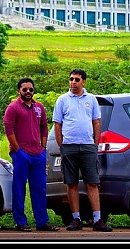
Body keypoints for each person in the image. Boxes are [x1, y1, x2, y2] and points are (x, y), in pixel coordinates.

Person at [52, 68, 112, 232]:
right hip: (69, 146)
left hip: (87, 146)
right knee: (71, 183)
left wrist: (94, 144)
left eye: (77, 79)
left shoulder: (91, 99)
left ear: (83, 81)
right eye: (71, 79)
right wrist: (61, 145)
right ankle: (76, 219)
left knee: (92, 182)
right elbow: (57, 124)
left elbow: (96, 122)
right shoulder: (62, 100)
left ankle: (98, 219)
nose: (73, 82)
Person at [3, 77, 59, 232]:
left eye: (30, 89)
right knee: (19, 188)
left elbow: (43, 127)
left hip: (38, 154)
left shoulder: (39, 107)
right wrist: (17, 149)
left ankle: (42, 222)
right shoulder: (13, 108)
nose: (28, 92)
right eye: (24, 89)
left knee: (39, 188)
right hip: (21, 154)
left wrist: (43, 146)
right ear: (19, 90)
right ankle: (20, 222)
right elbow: (9, 130)